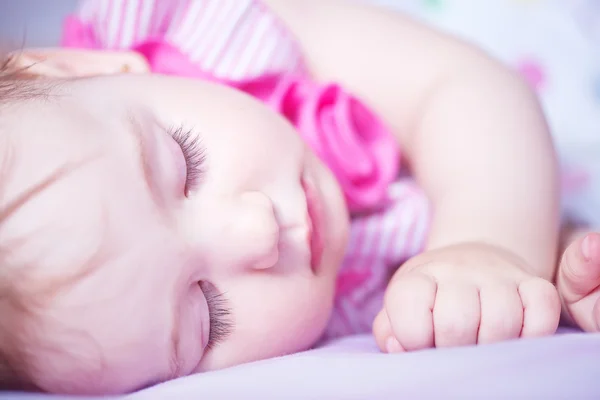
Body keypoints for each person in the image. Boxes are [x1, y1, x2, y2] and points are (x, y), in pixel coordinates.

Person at [0, 0, 597, 395]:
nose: (259, 232)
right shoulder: (290, 339)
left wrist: (487, 241)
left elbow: (466, 91)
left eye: (186, 164)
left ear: (83, 69)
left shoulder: (224, 36)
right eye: (209, 315)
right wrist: (525, 284)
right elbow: (470, 288)